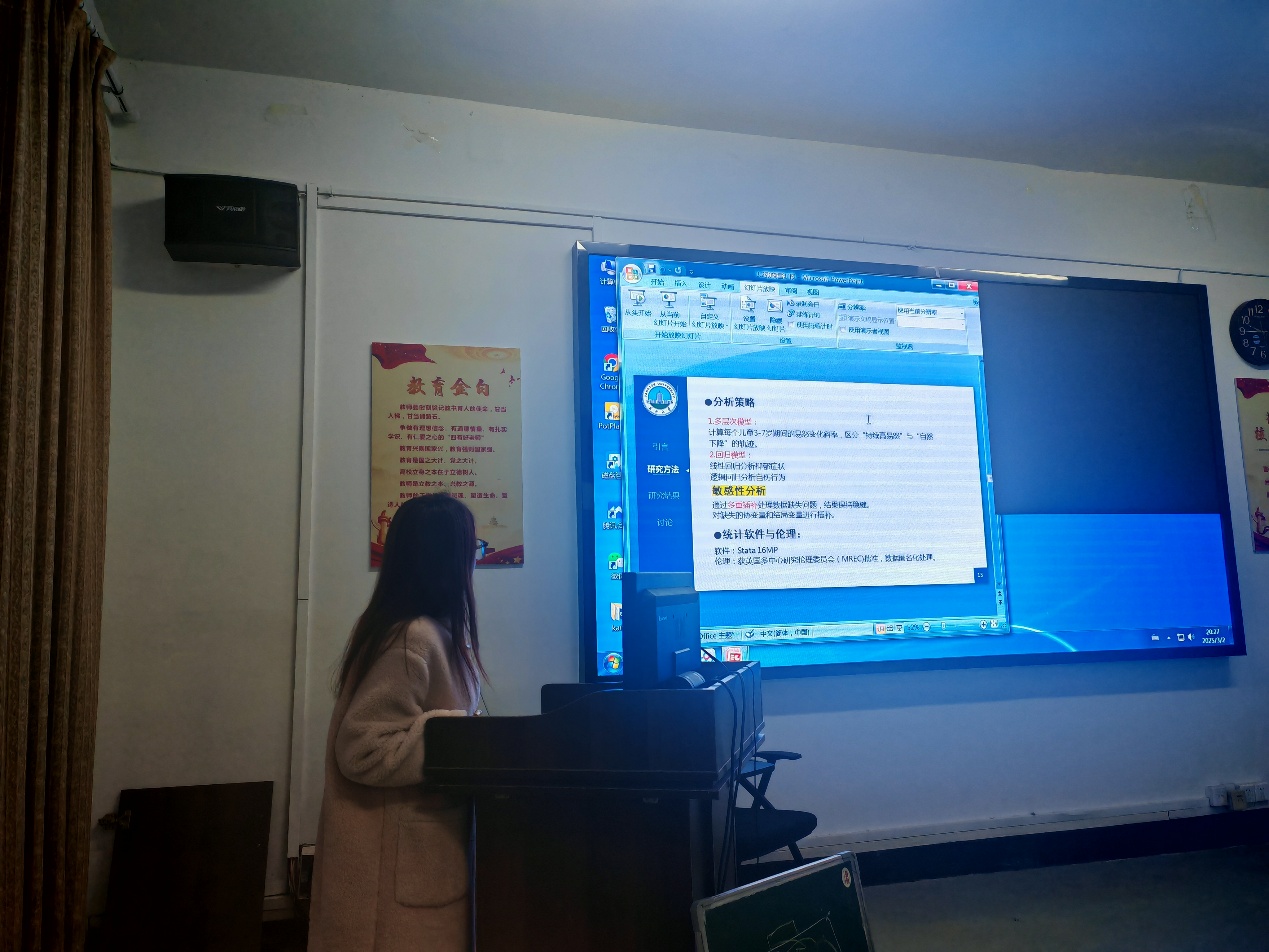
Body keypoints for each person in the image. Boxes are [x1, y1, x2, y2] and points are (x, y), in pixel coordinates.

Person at [308, 494, 485, 952]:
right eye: (472, 549)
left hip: (420, 858)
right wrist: (457, 736)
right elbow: (362, 750)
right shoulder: (412, 637)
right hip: (394, 878)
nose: (475, 561)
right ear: (445, 560)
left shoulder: (433, 631)